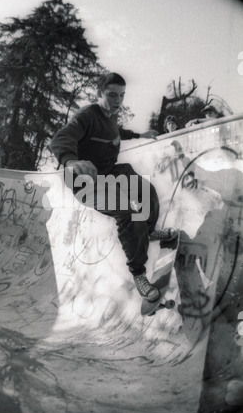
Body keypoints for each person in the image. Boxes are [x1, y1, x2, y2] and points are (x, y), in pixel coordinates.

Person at [50, 72, 177, 303]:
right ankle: (138, 273)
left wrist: (140, 134)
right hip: (86, 182)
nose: (117, 100)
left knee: (146, 191)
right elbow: (61, 138)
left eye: (121, 95)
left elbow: (117, 133)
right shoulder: (87, 115)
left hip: (110, 173)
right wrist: (71, 160)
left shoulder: (111, 116)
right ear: (100, 93)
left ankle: (147, 231)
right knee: (128, 211)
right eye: (112, 95)